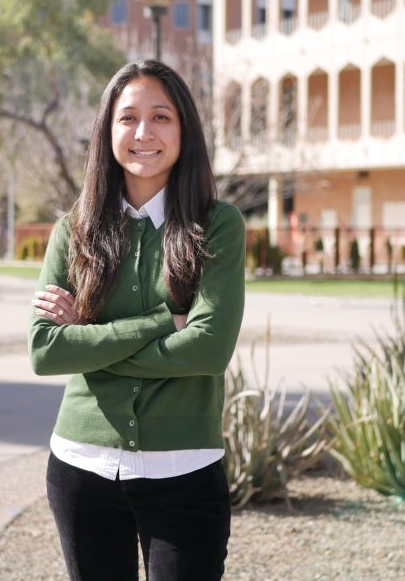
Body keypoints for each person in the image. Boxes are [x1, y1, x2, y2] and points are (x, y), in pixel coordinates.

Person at [28, 59, 246, 580]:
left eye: (161, 117)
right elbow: (46, 352)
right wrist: (161, 322)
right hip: (80, 468)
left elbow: (210, 348)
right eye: (127, 118)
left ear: (184, 129)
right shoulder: (73, 230)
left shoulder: (217, 226)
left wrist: (90, 338)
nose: (143, 133)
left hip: (184, 472)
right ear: (107, 131)